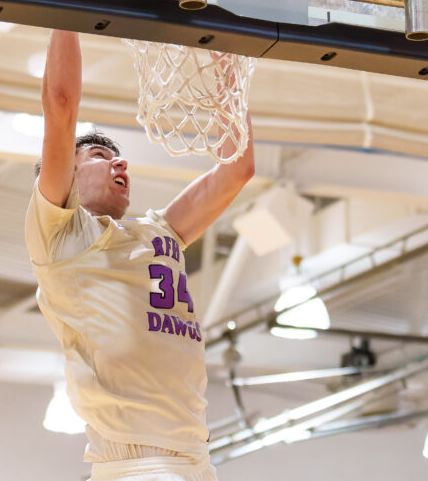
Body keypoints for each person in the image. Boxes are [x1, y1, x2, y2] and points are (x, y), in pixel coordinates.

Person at [24, 30, 255, 481]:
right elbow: (61, 101)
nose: (119, 163)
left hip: (194, 459)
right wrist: (64, 8)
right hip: (137, 463)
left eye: (119, 157)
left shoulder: (158, 229)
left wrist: (229, 80)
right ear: (66, 173)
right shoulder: (61, 234)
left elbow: (237, 171)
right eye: (97, 155)